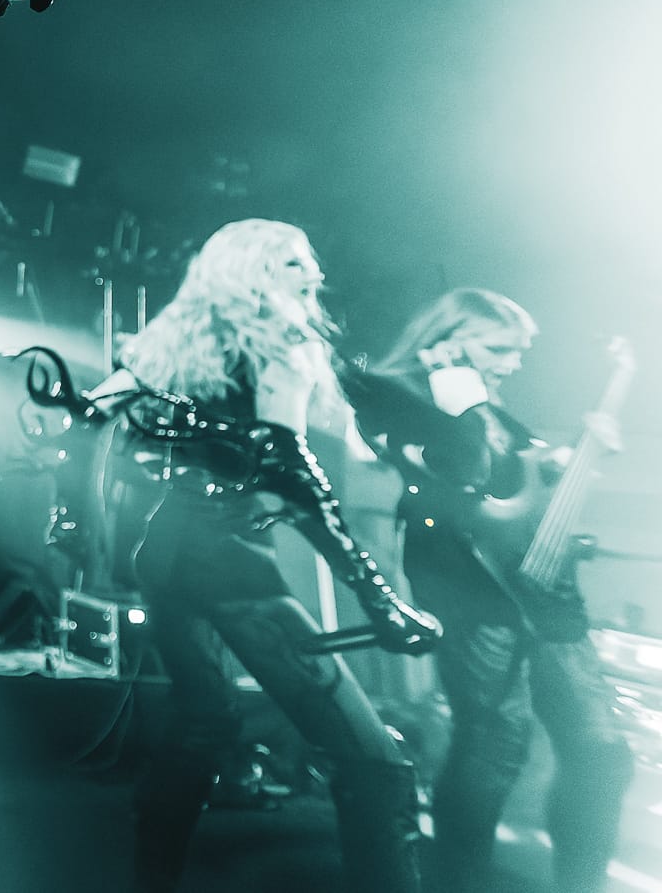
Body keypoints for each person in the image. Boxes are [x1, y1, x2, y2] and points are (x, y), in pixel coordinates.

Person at [87, 219, 440, 892]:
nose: (315, 274)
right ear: (254, 272)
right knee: (373, 764)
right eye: (294, 263)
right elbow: (293, 469)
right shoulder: (284, 342)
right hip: (230, 567)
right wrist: (379, 597)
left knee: (202, 721)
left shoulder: (175, 342)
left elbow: (87, 415)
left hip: (166, 552)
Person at [349, 288, 634, 893]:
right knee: (496, 743)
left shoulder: (485, 402)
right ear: (449, 337)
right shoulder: (391, 392)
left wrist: (576, 455)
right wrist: (462, 395)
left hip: (544, 585)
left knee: (602, 751)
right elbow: (467, 468)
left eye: (520, 351)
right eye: (500, 348)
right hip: (468, 583)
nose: (513, 363)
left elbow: (517, 476)